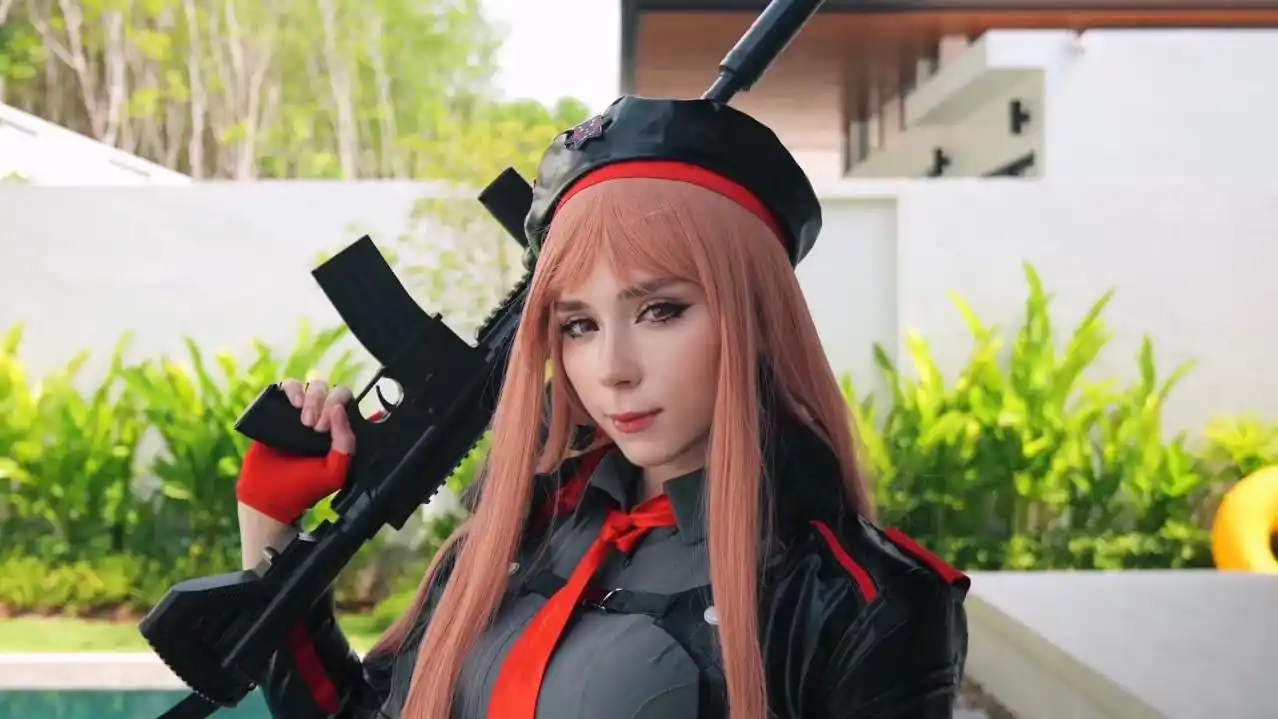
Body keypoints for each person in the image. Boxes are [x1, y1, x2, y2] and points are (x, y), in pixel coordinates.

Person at [234, 96, 971, 719]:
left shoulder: (864, 602)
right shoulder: (515, 538)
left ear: (755, 316)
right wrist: (270, 530)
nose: (613, 370)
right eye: (579, 325)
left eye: (661, 310)